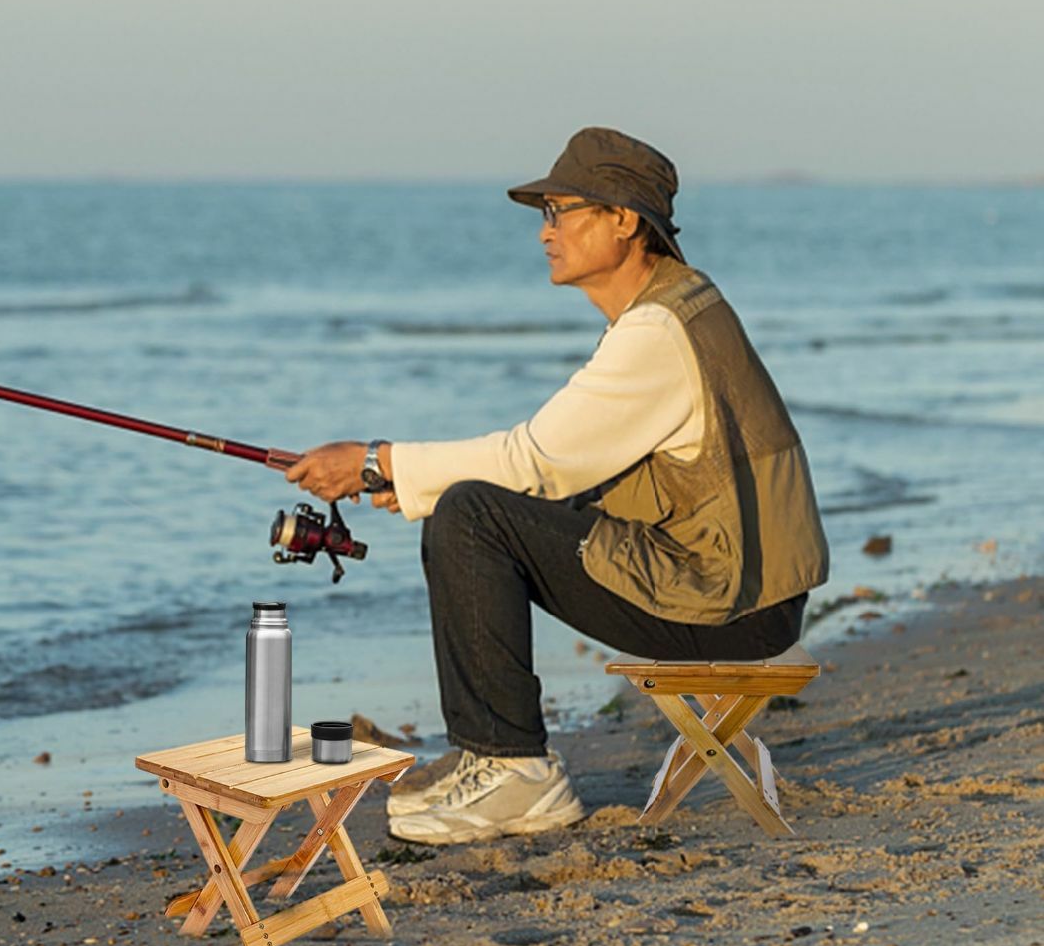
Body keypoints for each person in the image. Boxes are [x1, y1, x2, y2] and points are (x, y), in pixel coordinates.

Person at [286, 127, 829, 846]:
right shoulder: (675, 308)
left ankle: (516, 770)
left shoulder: (659, 331)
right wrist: (404, 477)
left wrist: (378, 463)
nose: (545, 232)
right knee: (478, 507)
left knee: (472, 515)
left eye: (561, 211)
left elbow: (531, 459)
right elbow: (562, 467)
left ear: (624, 220)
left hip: (730, 601)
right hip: (748, 588)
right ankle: (491, 758)